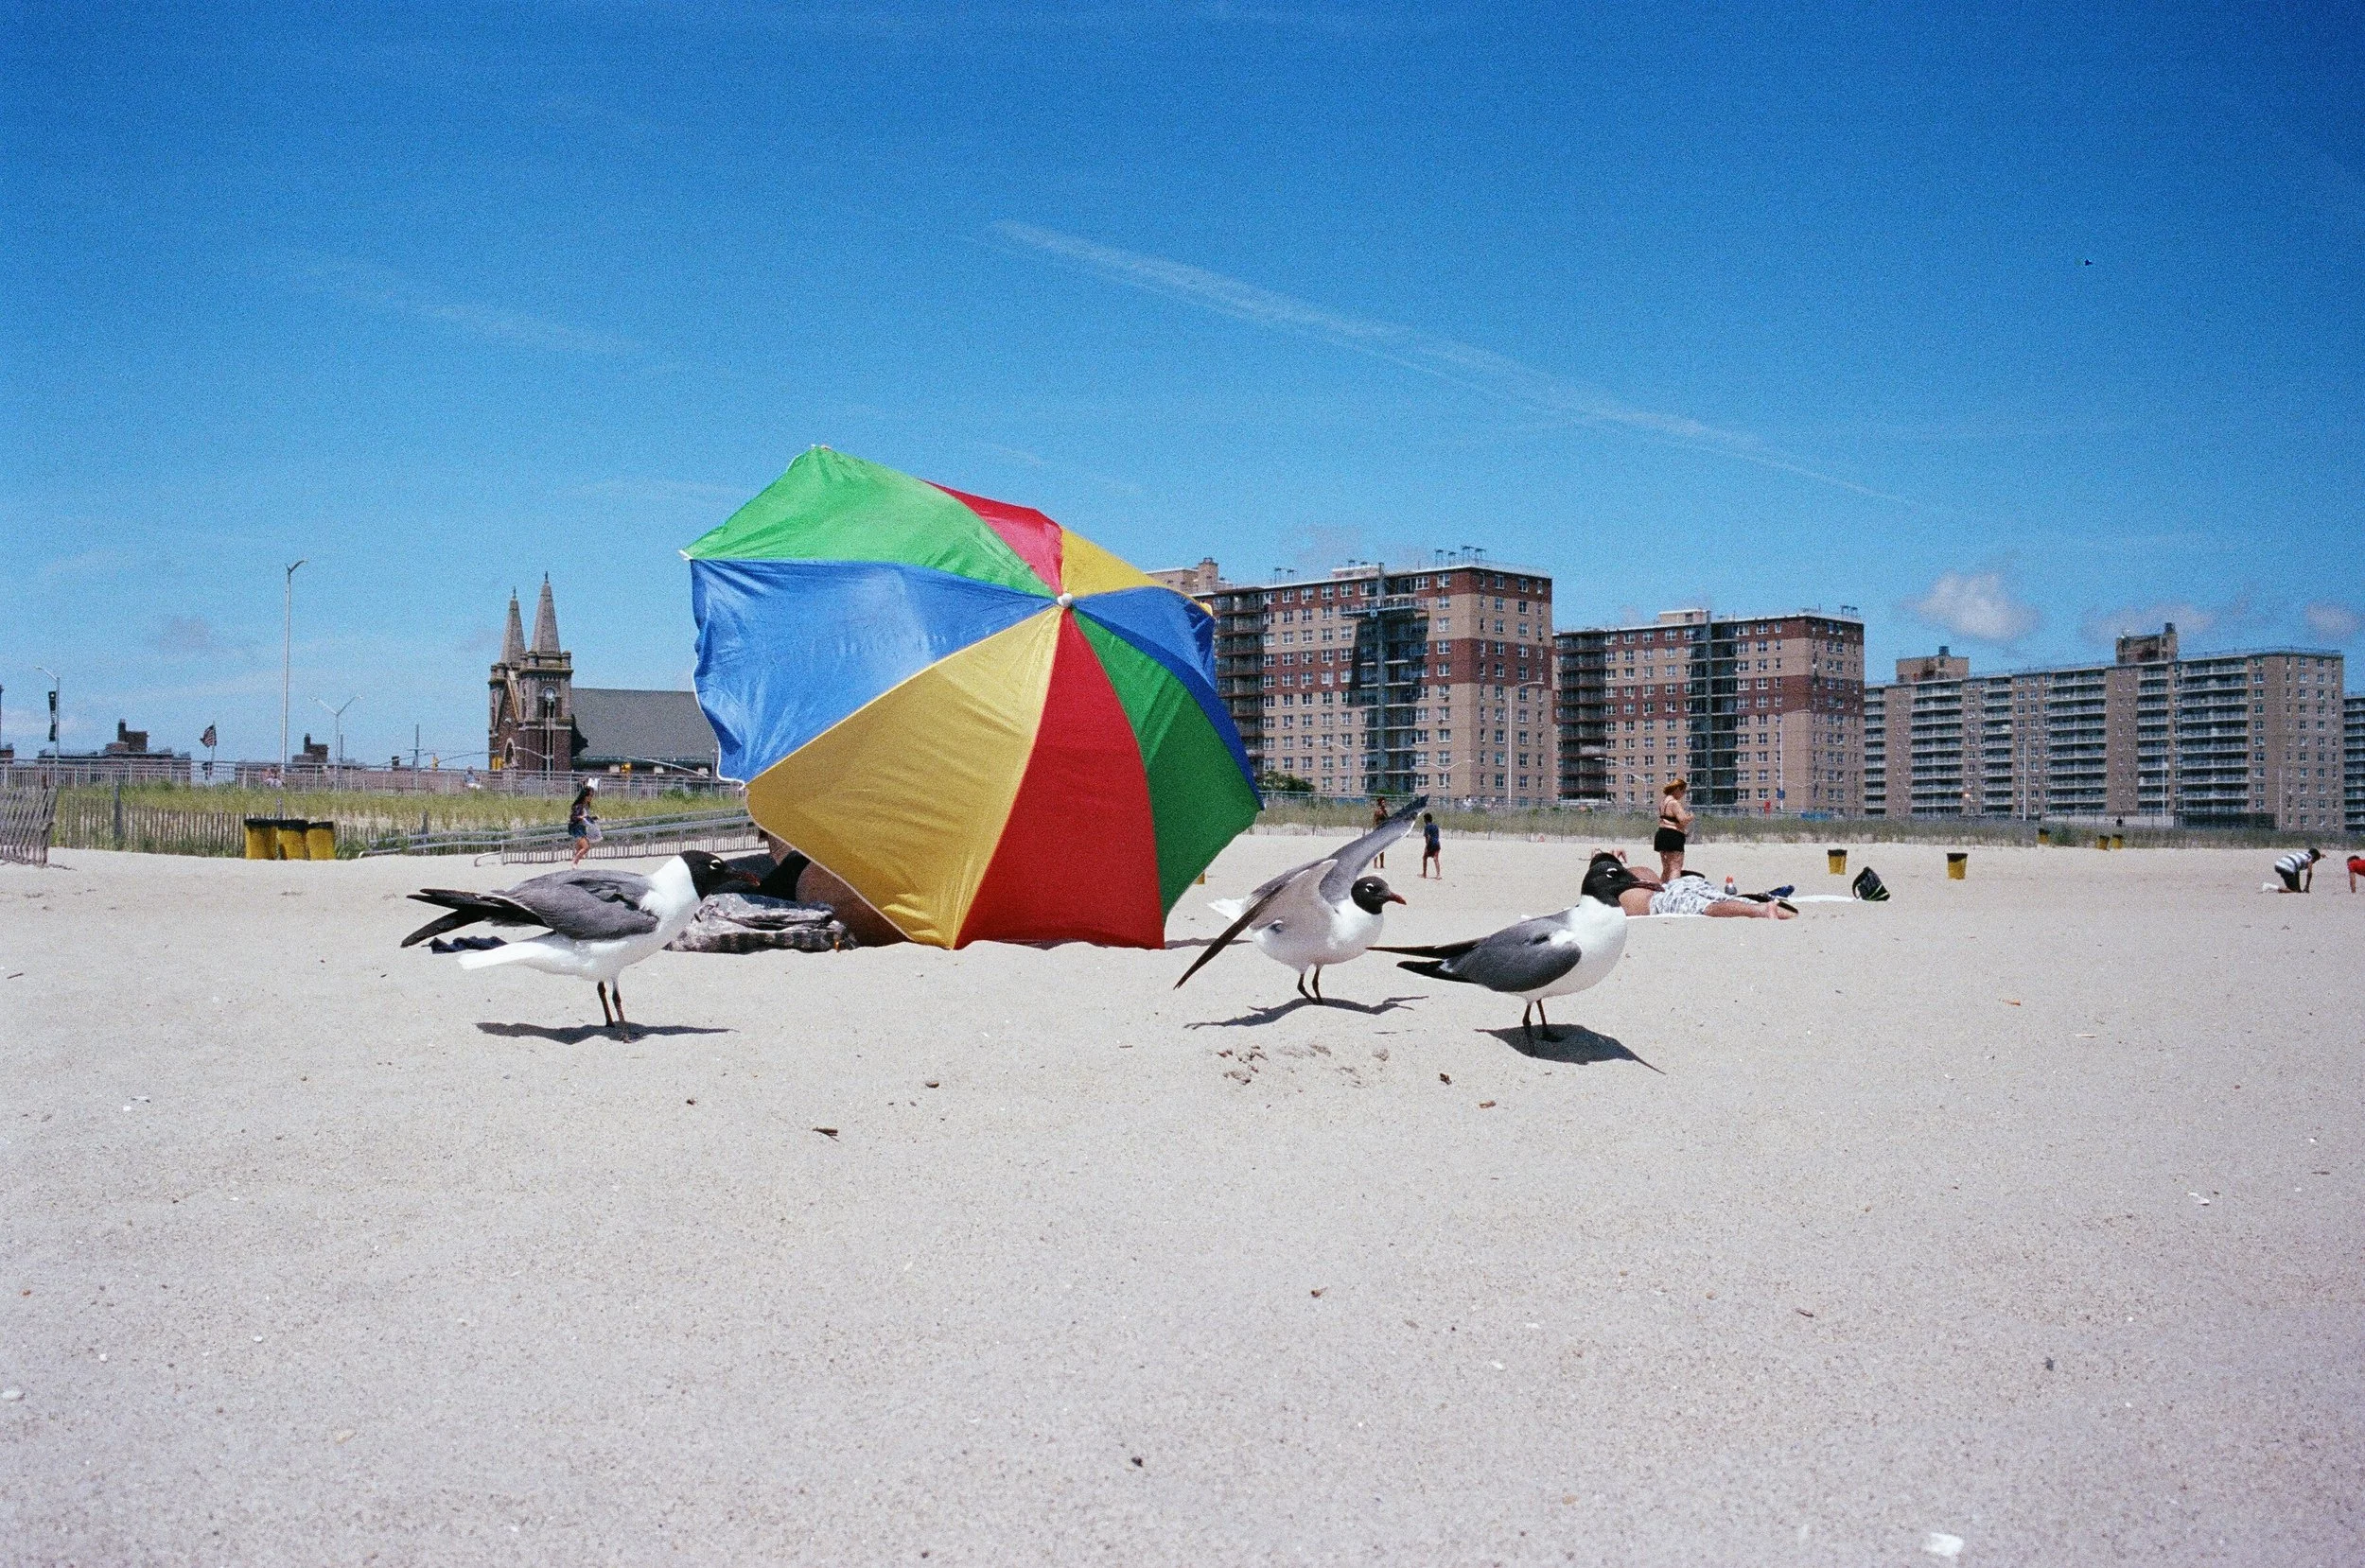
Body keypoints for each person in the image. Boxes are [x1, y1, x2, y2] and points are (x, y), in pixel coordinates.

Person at [1592, 849, 1793, 919]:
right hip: (1683, 883)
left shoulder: (1608, 888)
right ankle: (1787, 913)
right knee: (1727, 899)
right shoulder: (1641, 871)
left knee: (1710, 908)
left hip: (1661, 899)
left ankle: (1763, 910)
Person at [1655, 779, 1693, 882]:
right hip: (1673, 835)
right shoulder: (1674, 803)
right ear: (1676, 789)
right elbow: (1683, 820)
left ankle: (1662, 890)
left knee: (1666, 868)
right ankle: (1673, 891)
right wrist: (1690, 817)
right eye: (1683, 791)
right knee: (1675, 867)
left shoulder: (1663, 802)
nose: (1683, 794)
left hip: (1661, 834)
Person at [568, 778, 601, 867]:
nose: (591, 797)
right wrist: (582, 817)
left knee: (579, 848)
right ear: (585, 796)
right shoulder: (578, 806)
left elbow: (586, 817)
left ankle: (574, 865)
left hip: (582, 828)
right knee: (586, 847)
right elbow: (573, 817)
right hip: (577, 828)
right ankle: (574, 862)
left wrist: (593, 818)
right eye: (590, 795)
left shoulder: (586, 806)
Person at [1420, 810, 1442, 880]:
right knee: (1436, 859)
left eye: (1424, 819)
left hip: (1431, 844)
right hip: (1437, 843)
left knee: (1424, 858)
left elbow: (1428, 837)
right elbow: (1437, 835)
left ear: (1426, 820)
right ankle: (1438, 875)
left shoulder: (1427, 827)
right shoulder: (1435, 826)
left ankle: (1424, 874)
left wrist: (1426, 847)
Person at [1370, 797, 1389, 870]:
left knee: (1382, 848)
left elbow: (1387, 820)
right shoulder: (1377, 811)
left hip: (1383, 831)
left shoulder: (1385, 811)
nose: (1384, 803)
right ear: (1380, 803)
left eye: (1385, 802)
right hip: (1378, 831)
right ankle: (1375, 864)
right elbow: (1374, 821)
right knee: (1376, 848)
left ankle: (1382, 864)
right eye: (1383, 802)